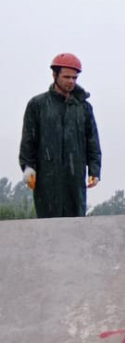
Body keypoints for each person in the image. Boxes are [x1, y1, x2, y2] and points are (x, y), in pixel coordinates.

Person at [19, 53, 101, 219]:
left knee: (75, 225)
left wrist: (94, 169)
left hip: (75, 176)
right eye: (66, 77)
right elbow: (29, 140)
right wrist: (28, 167)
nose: (71, 81)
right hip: (47, 177)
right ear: (54, 75)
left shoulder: (83, 108)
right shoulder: (38, 105)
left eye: (74, 78)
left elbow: (92, 140)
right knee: (48, 225)